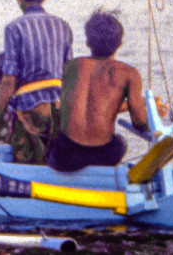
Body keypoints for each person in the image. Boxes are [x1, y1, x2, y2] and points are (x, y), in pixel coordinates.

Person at [0, 0, 73, 164]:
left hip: (30, 114)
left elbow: (8, 83)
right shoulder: (63, 26)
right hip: (59, 112)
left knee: (26, 164)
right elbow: (69, 77)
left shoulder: (15, 28)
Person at [46, 10, 150, 172]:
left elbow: (83, 105)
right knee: (121, 143)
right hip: (102, 157)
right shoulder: (129, 74)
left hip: (66, 157)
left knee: (58, 139)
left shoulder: (71, 67)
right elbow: (140, 123)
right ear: (121, 43)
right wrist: (148, 111)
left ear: (88, 42)